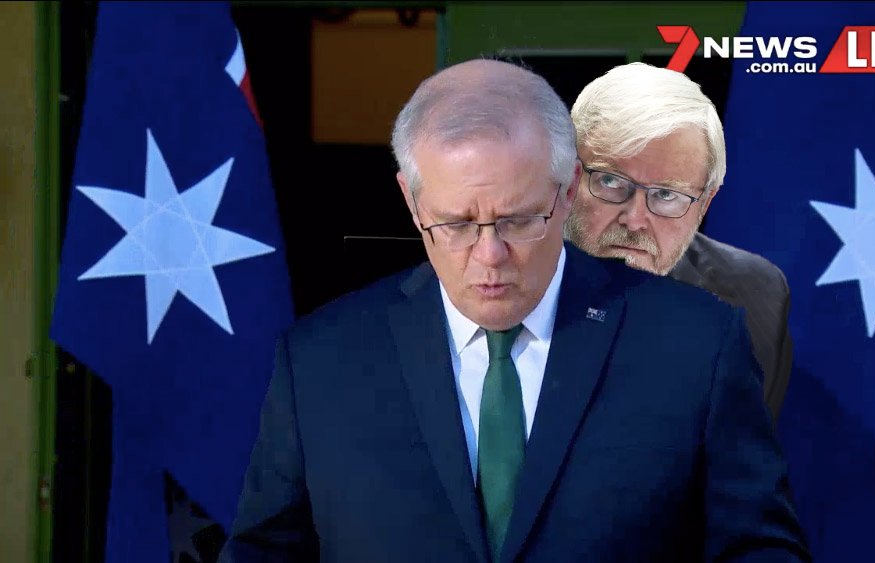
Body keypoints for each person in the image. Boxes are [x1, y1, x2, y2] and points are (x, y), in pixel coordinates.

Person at [220, 59, 809, 562]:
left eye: (520, 220)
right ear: (411, 200)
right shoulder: (320, 361)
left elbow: (759, 549)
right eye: (456, 224)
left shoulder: (697, 344)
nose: (490, 255)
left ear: (568, 189)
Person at [564, 62, 793, 421]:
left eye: (667, 195)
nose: (635, 220)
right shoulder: (499, 271)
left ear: (705, 204)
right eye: (610, 181)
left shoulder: (754, 294)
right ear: (568, 177)